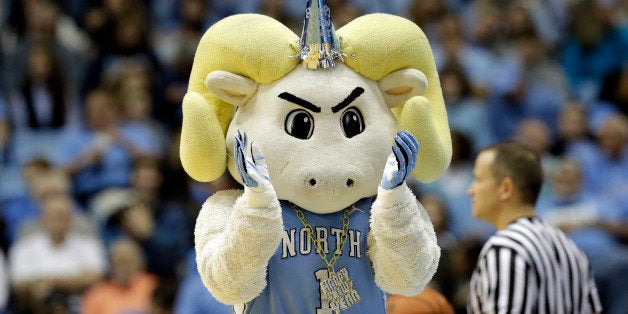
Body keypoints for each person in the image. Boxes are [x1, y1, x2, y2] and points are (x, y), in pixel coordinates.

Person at [466, 141, 602, 313]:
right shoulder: (570, 248)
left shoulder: (506, 248)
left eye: (478, 179)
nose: (470, 191)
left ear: (506, 188)